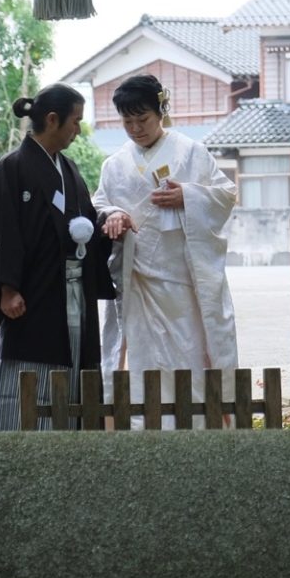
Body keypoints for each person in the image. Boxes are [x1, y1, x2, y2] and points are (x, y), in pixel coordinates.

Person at [0, 82, 115, 430]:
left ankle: (71, 452)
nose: (78, 130)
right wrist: (7, 288)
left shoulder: (70, 170)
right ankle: (20, 449)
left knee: (77, 365)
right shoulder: (12, 167)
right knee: (34, 366)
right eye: (75, 122)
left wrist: (108, 224)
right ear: (53, 120)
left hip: (74, 291)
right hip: (34, 293)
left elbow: (83, 224)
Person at [93, 74, 239, 414]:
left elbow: (225, 195)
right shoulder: (113, 165)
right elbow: (99, 204)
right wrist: (113, 214)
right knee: (143, 357)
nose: (135, 128)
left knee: (188, 352)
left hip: (181, 279)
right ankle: (145, 426)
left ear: (161, 111)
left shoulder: (192, 152)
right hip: (137, 279)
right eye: (127, 121)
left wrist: (187, 195)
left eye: (142, 119)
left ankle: (197, 424)